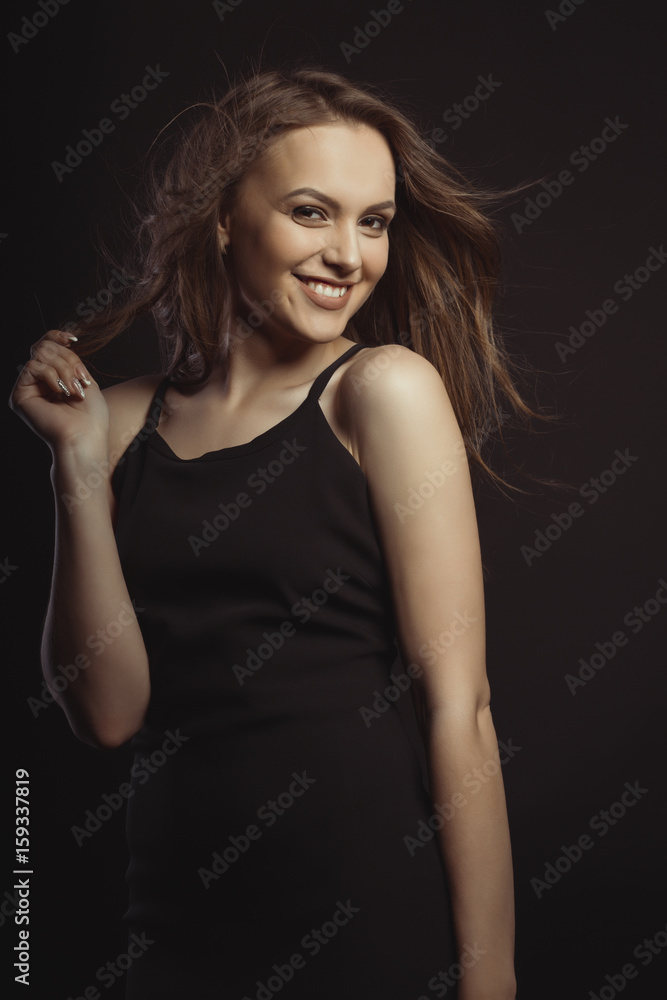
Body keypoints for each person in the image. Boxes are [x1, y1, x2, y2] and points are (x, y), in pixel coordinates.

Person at [9, 66, 532, 999]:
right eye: (310, 211)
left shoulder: (384, 393)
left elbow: (461, 707)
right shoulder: (117, 422)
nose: (350, 254)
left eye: (373, 221)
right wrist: (76, 474)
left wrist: (489, 982)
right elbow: (108, 714)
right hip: (170, 925)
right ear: (221, 218)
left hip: (362, 918)